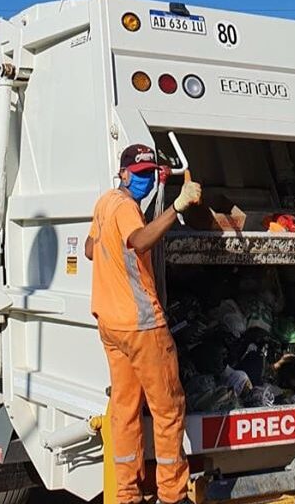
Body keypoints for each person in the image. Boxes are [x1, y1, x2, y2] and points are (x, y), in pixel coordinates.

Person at [84, 143, 203, 504]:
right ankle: (172, 494)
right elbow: (139, 240)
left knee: (126, 409)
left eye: (149, 174)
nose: (144, 180)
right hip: (141, 325)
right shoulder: (125, 209)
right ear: (122, 173)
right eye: (139, 175)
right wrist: (177, 207)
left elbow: (90, 248)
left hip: (110, 324)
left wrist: (161, 182)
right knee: (168, 410)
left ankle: (127, 493)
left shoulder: (106, 202)